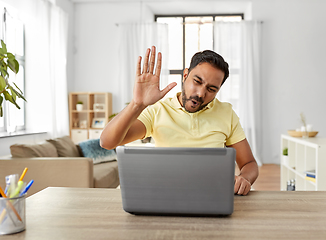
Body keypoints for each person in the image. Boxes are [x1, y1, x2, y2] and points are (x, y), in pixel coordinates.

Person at [100, 46, 259, 195]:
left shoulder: (226, 113)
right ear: (185, 75)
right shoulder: (158, 110)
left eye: (211, 89)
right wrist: (137, 104)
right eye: (197, 81)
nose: (200, 94)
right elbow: (107, 142)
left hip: (212, 194)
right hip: (166, 193)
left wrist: (245, 178)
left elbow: (249, 164)